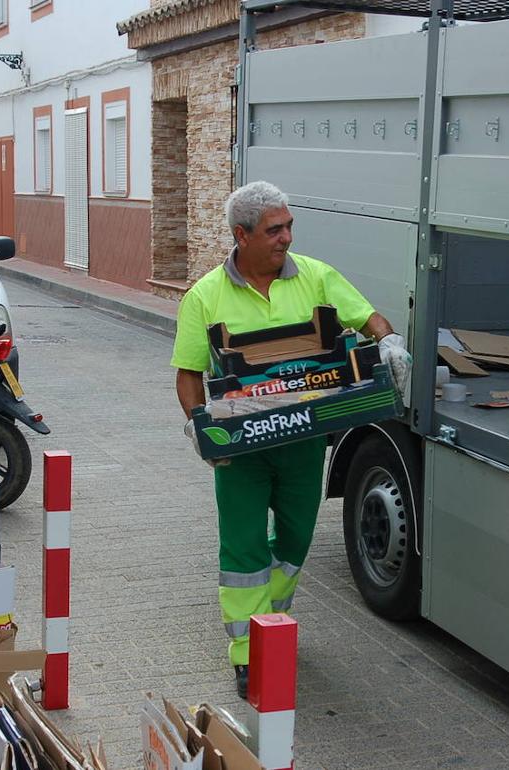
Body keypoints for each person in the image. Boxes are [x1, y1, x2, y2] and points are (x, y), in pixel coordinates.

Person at [171, 181, 411, 699]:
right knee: (243, 550)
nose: (286, 237)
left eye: (288, 226)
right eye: (274, 229)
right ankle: (248, 655)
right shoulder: (206, 296)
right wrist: (198, 426)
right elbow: (188, 372)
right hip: (242, 449)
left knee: (297, 539)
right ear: (242, 235)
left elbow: (367, 317)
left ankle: (270, 621)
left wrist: (387, 340)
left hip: (303, 442)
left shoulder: (317, 277)